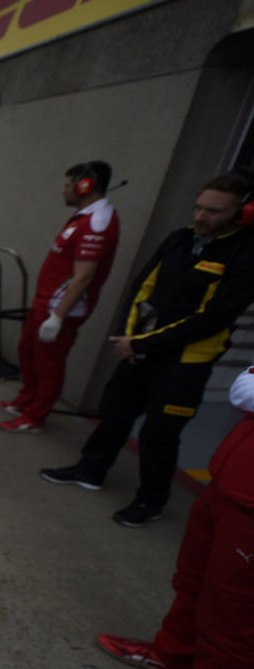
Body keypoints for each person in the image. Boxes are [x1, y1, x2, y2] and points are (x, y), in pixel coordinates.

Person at [41, 172, 254, 527]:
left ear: (241, 213)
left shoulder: (244, 255)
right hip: (137, 352)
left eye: (213, 212)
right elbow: (141, 289)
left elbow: (212, 318)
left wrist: (141, 343)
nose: (201, 216)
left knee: (160, 435)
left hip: (185, 363)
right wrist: (128, 340)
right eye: (199, 207)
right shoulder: (180, 239)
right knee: (114, 413)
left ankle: (151, 501)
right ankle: (90, 470)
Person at [96, 362, 254, 669]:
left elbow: (245, 391)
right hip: (231, 482)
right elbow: (244, 385)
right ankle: (174, 655)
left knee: (233, 620)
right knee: (193, 581)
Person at [0, 161, 120, 433]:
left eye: (68, 185)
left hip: (60, 309)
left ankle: (35, 417)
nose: (63, 191)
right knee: (27, 352)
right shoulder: (84, 216)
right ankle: (25, 401)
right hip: (46, 302)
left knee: (48, 364)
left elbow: (84, 276)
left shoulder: (97, 222)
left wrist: (58, 317)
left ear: (84, 186)